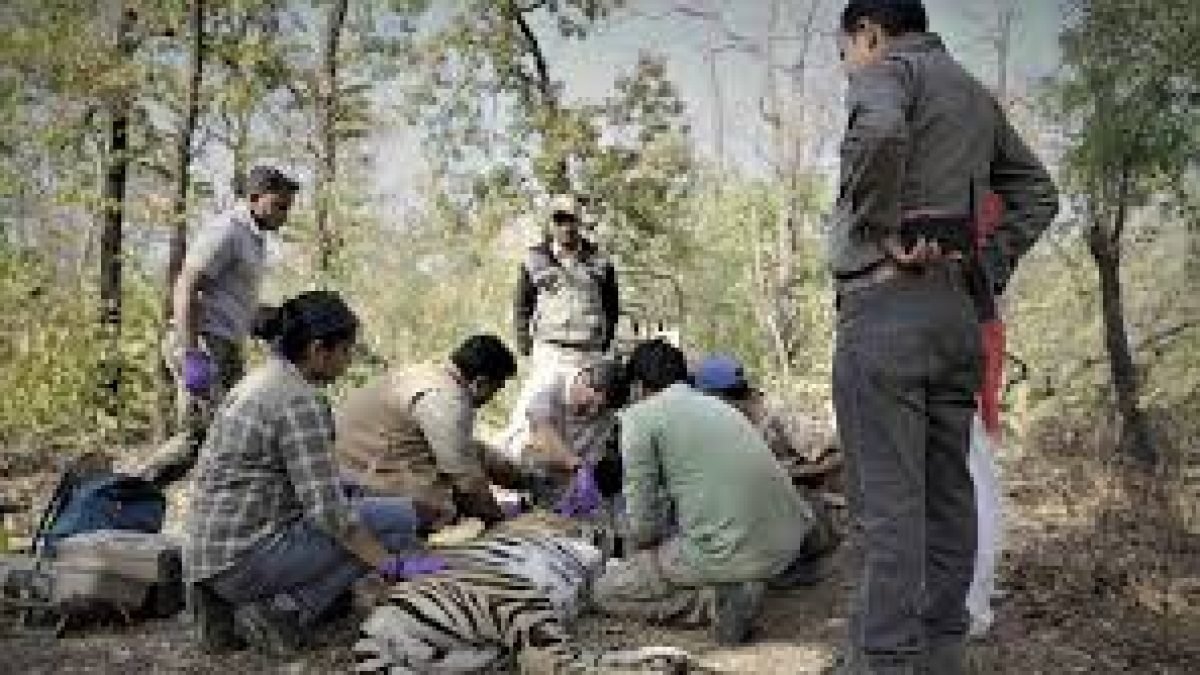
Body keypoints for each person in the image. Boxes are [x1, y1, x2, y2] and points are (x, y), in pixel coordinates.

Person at [829, 1, 1058, 672]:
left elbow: (878, 131)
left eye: (846, 52)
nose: (848, 66)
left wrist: (880, 228)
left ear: (868, 34)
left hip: (884, 314)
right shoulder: (973, 95)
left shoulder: (889, 71)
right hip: (957, 319)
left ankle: (884, 661)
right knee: (949, 498)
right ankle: (942, 656)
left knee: (886, 509)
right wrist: (988, 265)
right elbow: (1038, 193)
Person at [184, 291, 439, 656]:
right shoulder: (300, 400)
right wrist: (391, 564)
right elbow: (330, 513)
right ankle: (282, 610)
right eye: (346, 351)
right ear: (319, 350)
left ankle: (236, 603)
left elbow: (301, 479)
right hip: (241, 559)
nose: (349, 361)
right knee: (394, 525)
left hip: (209, 554)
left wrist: (361, 493)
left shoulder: (260, 381)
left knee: (378, 512)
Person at [592, 340, 812, 646]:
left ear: (639, 386)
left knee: (605, 591)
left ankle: (712, 604)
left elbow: (644, 527)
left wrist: (641, 550)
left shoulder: (639, 419)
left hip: (731, 553)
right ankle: (736, 584)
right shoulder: (718, 405)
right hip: (789, 541)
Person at [142, 165, 300, 488]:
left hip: (227, 346)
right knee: (203, 438)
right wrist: (191, 354)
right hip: (202, 343)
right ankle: (122, 496)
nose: (284, 215)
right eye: (279, 206)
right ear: (254, 198)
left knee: (233, 435)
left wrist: (275, 319)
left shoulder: (254, 240)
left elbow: (230, 301)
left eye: (288, 207)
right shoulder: (227, 230)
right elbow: (186, 285)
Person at [335, 334, 520, 528]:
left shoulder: (425, 374)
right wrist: (501, 522)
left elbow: (467, 449)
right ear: (480, 383)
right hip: (366, 485)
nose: (492, 398)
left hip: (352, 470)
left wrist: (516, 475)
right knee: (442, 507)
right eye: (495, 390)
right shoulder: (446, 398)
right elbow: (467, 480)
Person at [508, 194, 620, 444]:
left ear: (579, 222)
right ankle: (520, 458)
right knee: (533, 412)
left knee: (591, 418)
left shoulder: (601, 261)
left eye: (571, 220)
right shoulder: (534, 258)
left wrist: (604, 342)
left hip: (588, 352)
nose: (566, 226)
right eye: (560, 220)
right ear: (551, 222)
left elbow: (611, 306)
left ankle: (585, 464)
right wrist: (524, 344)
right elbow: (522, 304)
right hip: (550, 351)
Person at [499, 359, 626, 510]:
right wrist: (577, 466)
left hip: (555, 484)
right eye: (591, 403)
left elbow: (588, 462)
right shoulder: (551, 381)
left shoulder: (606, 418)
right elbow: (542, 433)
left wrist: (574, 492)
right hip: (514, 468)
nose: (594, 412)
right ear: (584, 378)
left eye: (601, 408)